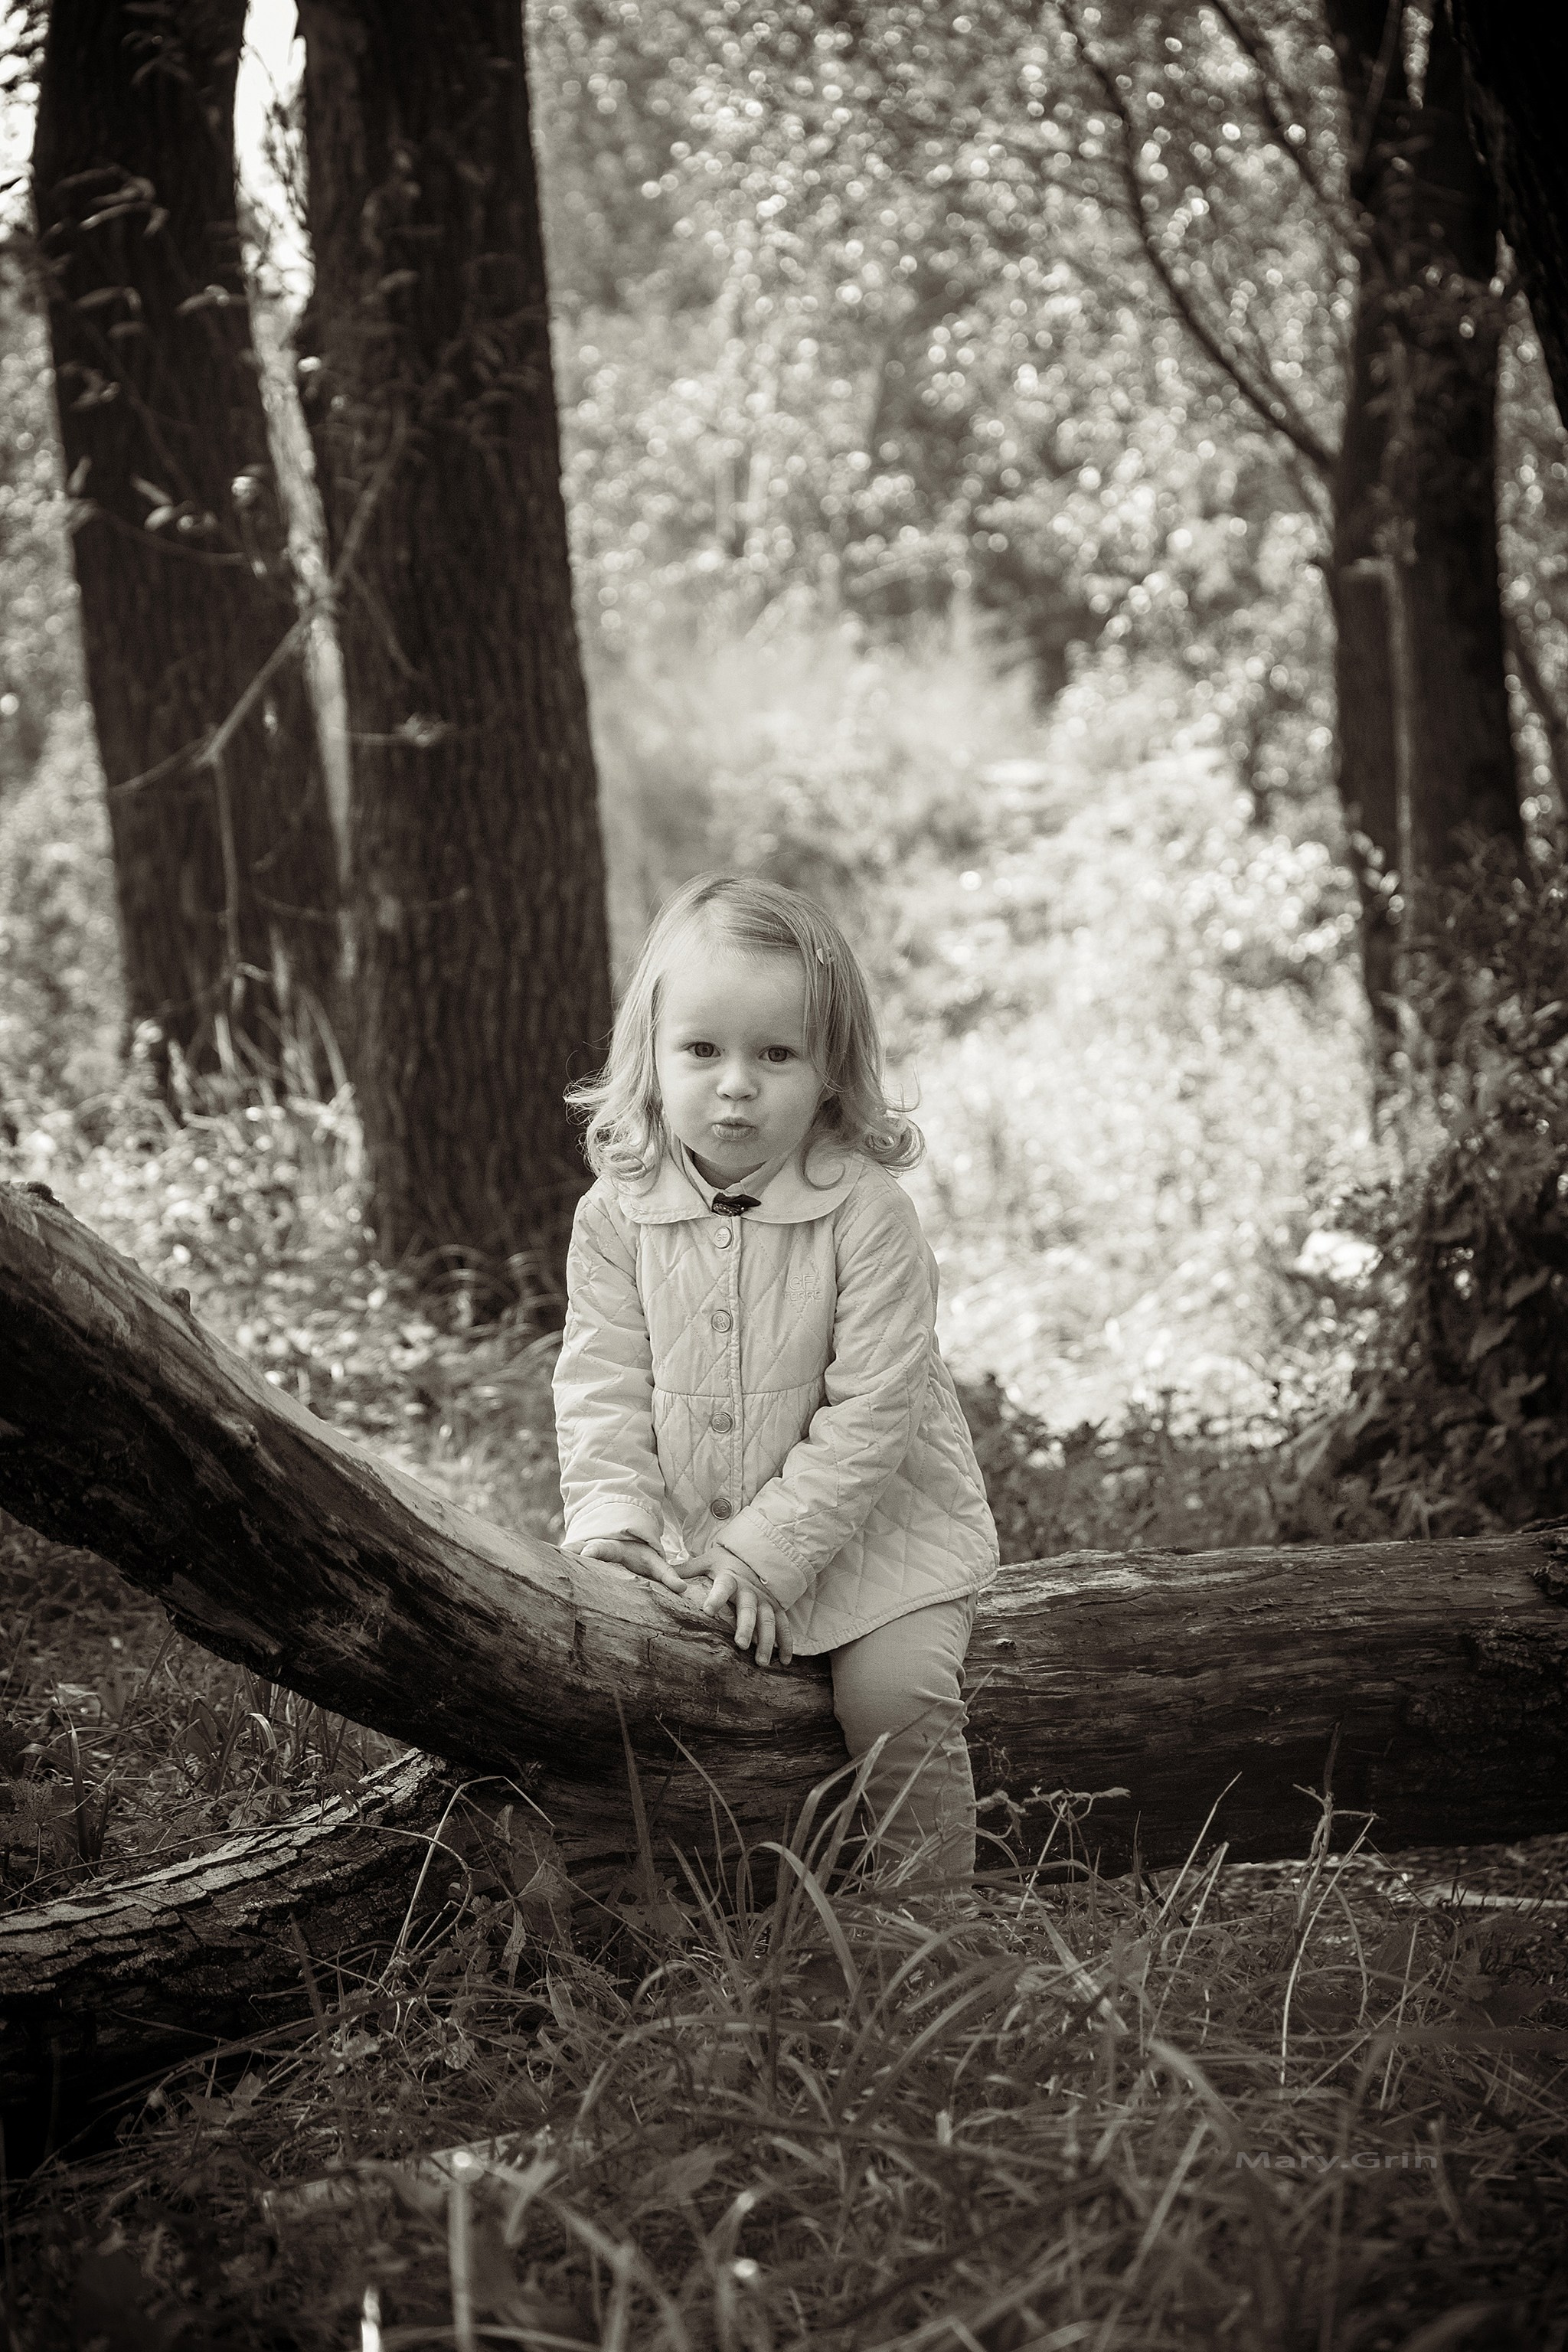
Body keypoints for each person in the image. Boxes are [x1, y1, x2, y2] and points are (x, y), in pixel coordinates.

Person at [552, 872, 999, 1889]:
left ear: (831, 1069)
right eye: (703, 1050)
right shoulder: (617, 1212)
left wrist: (761, 1555)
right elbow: (601, 1383)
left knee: (893, 1698)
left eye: (776, 1054)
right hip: (688, 1540)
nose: (737, 1085)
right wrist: (617, 1519)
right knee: (603, 1692)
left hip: (878, 1541)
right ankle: (646, 1910)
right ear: (652, 1056)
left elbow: (873, 1415)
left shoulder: (867, 1214)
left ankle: (931, 1928)